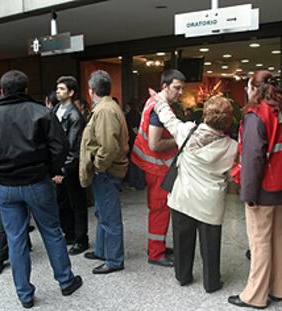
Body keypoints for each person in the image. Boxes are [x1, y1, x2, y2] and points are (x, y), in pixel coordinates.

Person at [0, 70, 82, 308]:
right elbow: (60, 147)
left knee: (15, 238)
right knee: (51, 231)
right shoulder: (42, 113)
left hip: (5, 186)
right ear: (26, 89)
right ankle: (65, 281)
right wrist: (50, 170)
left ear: (2, 91)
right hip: (37, 182)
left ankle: (24, 294)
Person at [228, 70, 282, 309]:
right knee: (276, 237)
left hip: (264, 188)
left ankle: (255, 296)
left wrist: (248, 193)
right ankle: (276, 288)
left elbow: (252, 158)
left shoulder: (256, 114)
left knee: (259, 240)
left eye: (248, 87)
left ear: (254, 88)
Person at [150, 90, 237, 293]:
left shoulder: (187, 132)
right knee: (210, 246)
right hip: (210, 203)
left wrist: (159, 99)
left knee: (182, 240)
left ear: (205, 114)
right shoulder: (232, 147)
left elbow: (168, 118)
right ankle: (211, 282)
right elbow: (232, 175)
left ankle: (183, 275)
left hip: (183, 197)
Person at [131, 69, 185, 267]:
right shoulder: (160, 110)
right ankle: (155, 253)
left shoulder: (153, 101)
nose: (180, 93)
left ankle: (157, 245)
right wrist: (181, 138)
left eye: (182, 89)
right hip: (157, 168)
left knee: (158, 209)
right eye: (177, 88)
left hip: (151, 165)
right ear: (165, 86)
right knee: (159, 210)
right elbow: (155, 144)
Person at [80, 70, 128, 274]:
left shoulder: (105, 110)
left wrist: (98, 166)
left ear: (91, 91)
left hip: (107, 172)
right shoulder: (107, 107)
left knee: (109, 217)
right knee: (102, 213)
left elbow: (108, 147)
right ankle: (102, 250)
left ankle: (114, 260)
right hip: (107, 171)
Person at [53, 76, 89, 255]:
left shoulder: (75, 115)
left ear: (71, 92)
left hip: (70, 166)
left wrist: (63, 169)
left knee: (77, 203)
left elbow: (73, 147)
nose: (58, 91)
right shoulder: (56, 109)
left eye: (61, 89)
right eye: (57, 88)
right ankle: (69, 234)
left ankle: (81, 239)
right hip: (59, 165)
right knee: (62, 201)